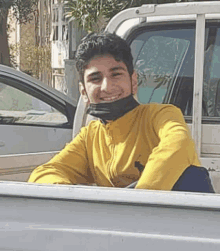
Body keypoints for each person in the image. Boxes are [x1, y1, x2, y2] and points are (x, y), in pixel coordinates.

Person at [28, 32, 214, 193]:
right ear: (83, 91)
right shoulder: (89, 138)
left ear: (133, 81)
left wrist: (136, 200)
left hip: (178, 226)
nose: (107, 87)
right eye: (95, 78)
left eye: (116, 74)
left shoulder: (161, 115)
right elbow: (46, 172)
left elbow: (178, 146)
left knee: (191, 176)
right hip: (119, 229)